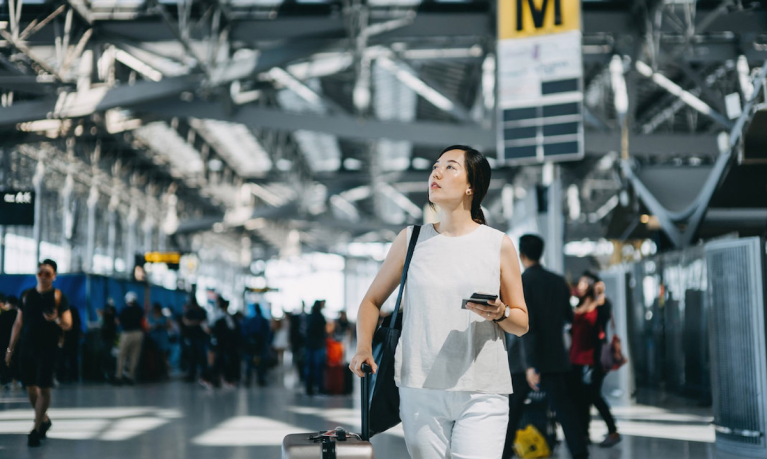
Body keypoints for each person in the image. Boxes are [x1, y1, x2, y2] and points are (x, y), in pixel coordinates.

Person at [350, 145, 529, 459]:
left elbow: (522, 323)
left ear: (471, 186)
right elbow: (371, 302)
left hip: (483, 390)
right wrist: (364, 346)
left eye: (450, 167)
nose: (436, 172)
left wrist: (500, 312)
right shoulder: (412, 239)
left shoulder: (497, 244)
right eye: (435, 166)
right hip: (420, 389)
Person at [503, 235, 589, 459]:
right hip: (554, 357)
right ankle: (579, 452)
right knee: (564, 408)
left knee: (511, 411)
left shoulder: (521, 283)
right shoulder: (558, 281)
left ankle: (501, 454)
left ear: (522, 255)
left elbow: (526, 326)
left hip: (523, 360)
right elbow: (568, 318)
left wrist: (530, 364)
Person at [5, 259, 73, 447]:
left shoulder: (59, 297)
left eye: (47, 273)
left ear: (54, 276)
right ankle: (44, 419)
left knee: (43, 387)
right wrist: (10, 348)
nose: (43, 276)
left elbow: (69, 324)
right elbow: (18, 324)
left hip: (48, 349)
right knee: (31, 388)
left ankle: (35, 428)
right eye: (40, 272)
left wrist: (57, 319)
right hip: (28, 347)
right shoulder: (26, 295)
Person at [570, 272, 621, 447]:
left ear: (591, 285)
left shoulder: (600, 305)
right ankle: (584, 434)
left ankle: (613, 431)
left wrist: (600, 294)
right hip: (576, 359)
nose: (580, 285)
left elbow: (606, 315)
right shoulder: (579, 303)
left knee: (593, 396)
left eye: (584, 282)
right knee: (580, 399)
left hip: (593, 360)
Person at [115, 292, 145, 385]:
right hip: (138, 333)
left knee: (122, 355)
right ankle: (131, 377)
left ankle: (119, 377)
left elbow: (117, 321)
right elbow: (143, 321)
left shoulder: (124, 309)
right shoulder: (139, 309)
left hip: (127, 334)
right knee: (134, 356)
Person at [211, 297, 241, 387]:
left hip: (227, 343)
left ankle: (222, 378)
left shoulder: (227, 316)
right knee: (220, 360)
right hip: (223, 343)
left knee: (222, 360)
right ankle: (217, 378)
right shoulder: (221, 316)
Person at [242, 303, 272, 387]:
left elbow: (245, 332)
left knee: (250, 362)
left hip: (251, 345)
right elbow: (267, 333)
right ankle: (260, 379)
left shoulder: (250, 320)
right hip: (261, 345)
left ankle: (248, 378)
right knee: (261, 362)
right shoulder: (263, 320)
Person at [182, 298, 210, 385]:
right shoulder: (191, 312)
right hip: (193, 337)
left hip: (200, 338)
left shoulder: (201, 311)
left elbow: (201, 322)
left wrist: (192, 323)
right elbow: (186, 322)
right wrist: (195, 322)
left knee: (201, 357)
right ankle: (192, 375)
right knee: (192, 357)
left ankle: (203, 375)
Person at [305, 300, 327, 396]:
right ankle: (319, 387)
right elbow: (323, 332)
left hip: (309, 344)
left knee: (309, 367)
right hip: (318, 345)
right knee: (319, 368)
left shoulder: (309, 317)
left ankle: (309, 388)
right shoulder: (321, 318)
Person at [148, 303, 171, 376]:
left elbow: (169, 326)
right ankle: (157, 372)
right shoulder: (150, 317)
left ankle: (166, 372)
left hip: (162, 338)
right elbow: (148, 327)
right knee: (155, 356)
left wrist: (161, 326)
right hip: (154, 338)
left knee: (164, 356)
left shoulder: (164, 317)